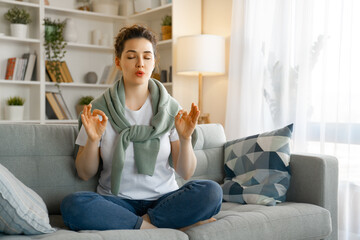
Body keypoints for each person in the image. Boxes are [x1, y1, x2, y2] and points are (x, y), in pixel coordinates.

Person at [60, 24, 222, 231]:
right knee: (73, 205)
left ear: (154, 62)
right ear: (118, 62)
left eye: (147, 56)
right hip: (116, 202)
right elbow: (84, 173)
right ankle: (164, 227)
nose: (140, 64)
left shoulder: (171, 109)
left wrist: (186, 138)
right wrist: (93, 140)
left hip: (165, 199)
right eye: (131, 56)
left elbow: (186, 172)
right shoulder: (98, 110)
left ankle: (137, 226)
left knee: (211, 192)